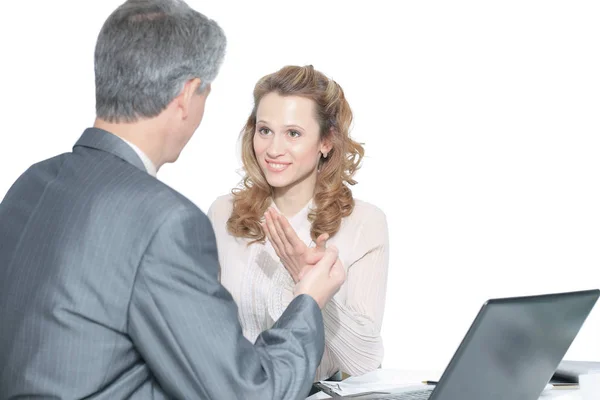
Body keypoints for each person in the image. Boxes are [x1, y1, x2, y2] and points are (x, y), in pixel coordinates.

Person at [0, 1, 346, 399]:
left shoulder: (30, 184)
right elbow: (248, 393)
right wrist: (307, 300)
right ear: (185, 96)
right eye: (205, 94)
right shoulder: (166, 222)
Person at [208, 65, 389, 381]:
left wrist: (308, 289)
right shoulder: (223, 213)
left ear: (326, 142)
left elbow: (365, 362)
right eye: (265, 130)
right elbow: (205, 333)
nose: (273, 149)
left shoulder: (364, 223)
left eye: (293, 133)